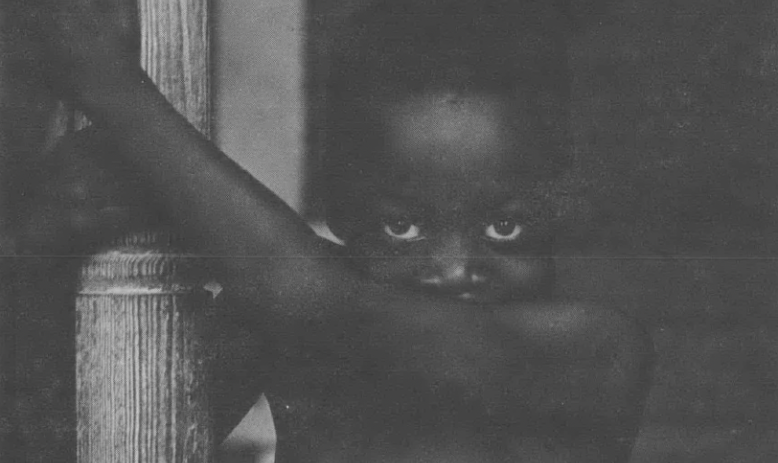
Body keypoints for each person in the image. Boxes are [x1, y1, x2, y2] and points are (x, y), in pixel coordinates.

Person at [32, 0, 654, 461]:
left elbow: (310, 298)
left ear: (561, 216)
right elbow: (105, 425)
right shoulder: (295, 319)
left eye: (505, 227)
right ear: (341, 215)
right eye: (404, 227)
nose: (456, 269)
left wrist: (113, 91)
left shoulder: (592, 350)